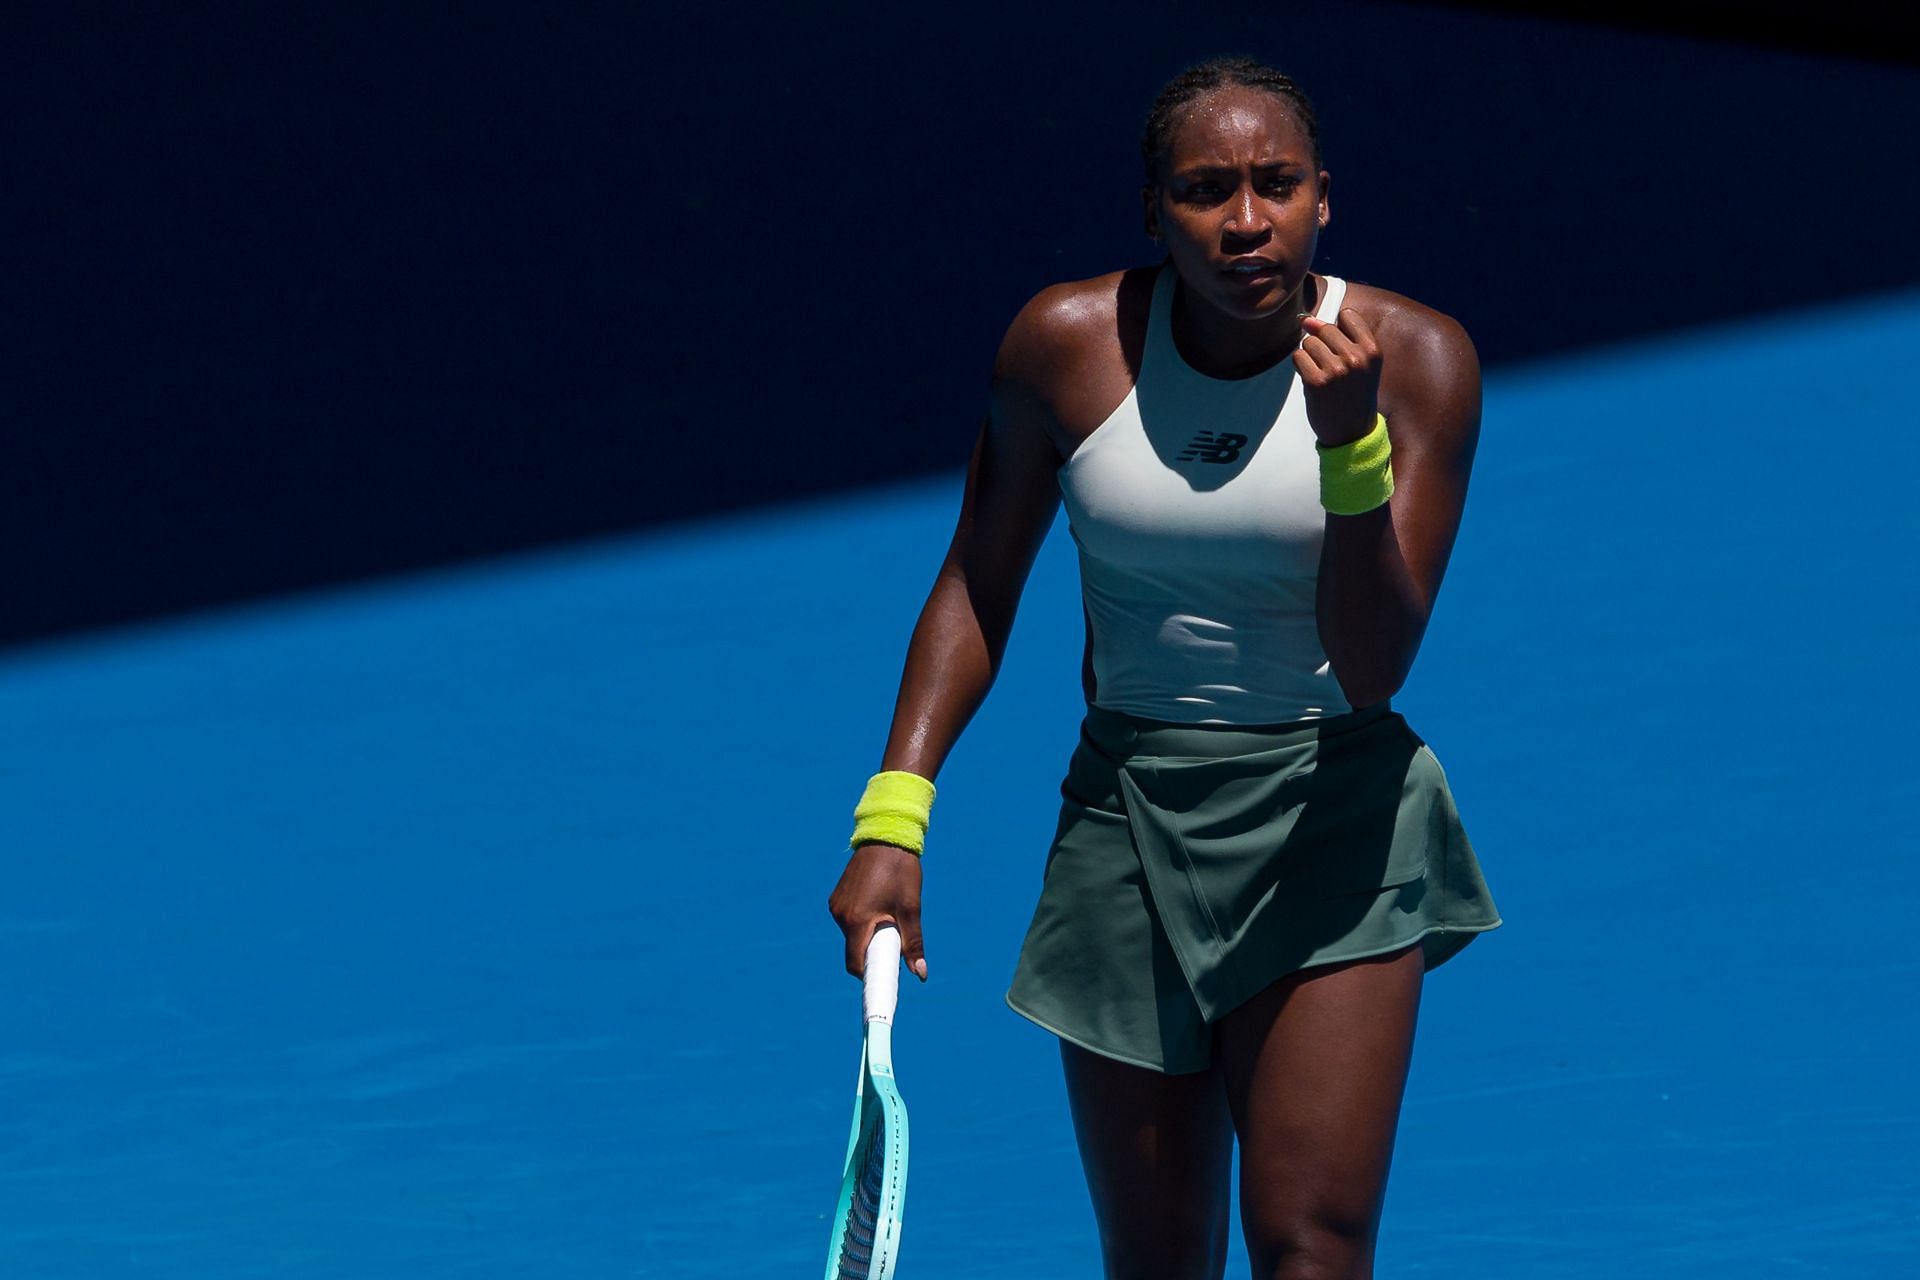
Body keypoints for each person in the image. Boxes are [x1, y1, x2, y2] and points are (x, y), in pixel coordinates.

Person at [828, 55, 1502, 1280]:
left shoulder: (1418, 361)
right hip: (1125, 819)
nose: (1247, 221)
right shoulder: (1064, 346)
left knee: (1311, 1245)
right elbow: (978, 582)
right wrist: (895, 816)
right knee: (1155, 1259)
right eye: (1206, 190)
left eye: (1277, 183)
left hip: (1336, 813)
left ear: (1322, 198)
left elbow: (1371, 662)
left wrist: (1350, 451)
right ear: (1156, 213)